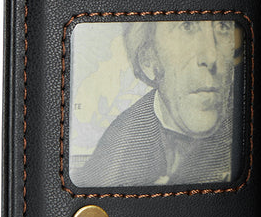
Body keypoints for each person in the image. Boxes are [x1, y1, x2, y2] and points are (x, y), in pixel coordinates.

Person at [75, 18, 238, 187]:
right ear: (148, 60)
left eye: (223, 26)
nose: (211, 56)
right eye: (187, 26)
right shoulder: (119, 145)